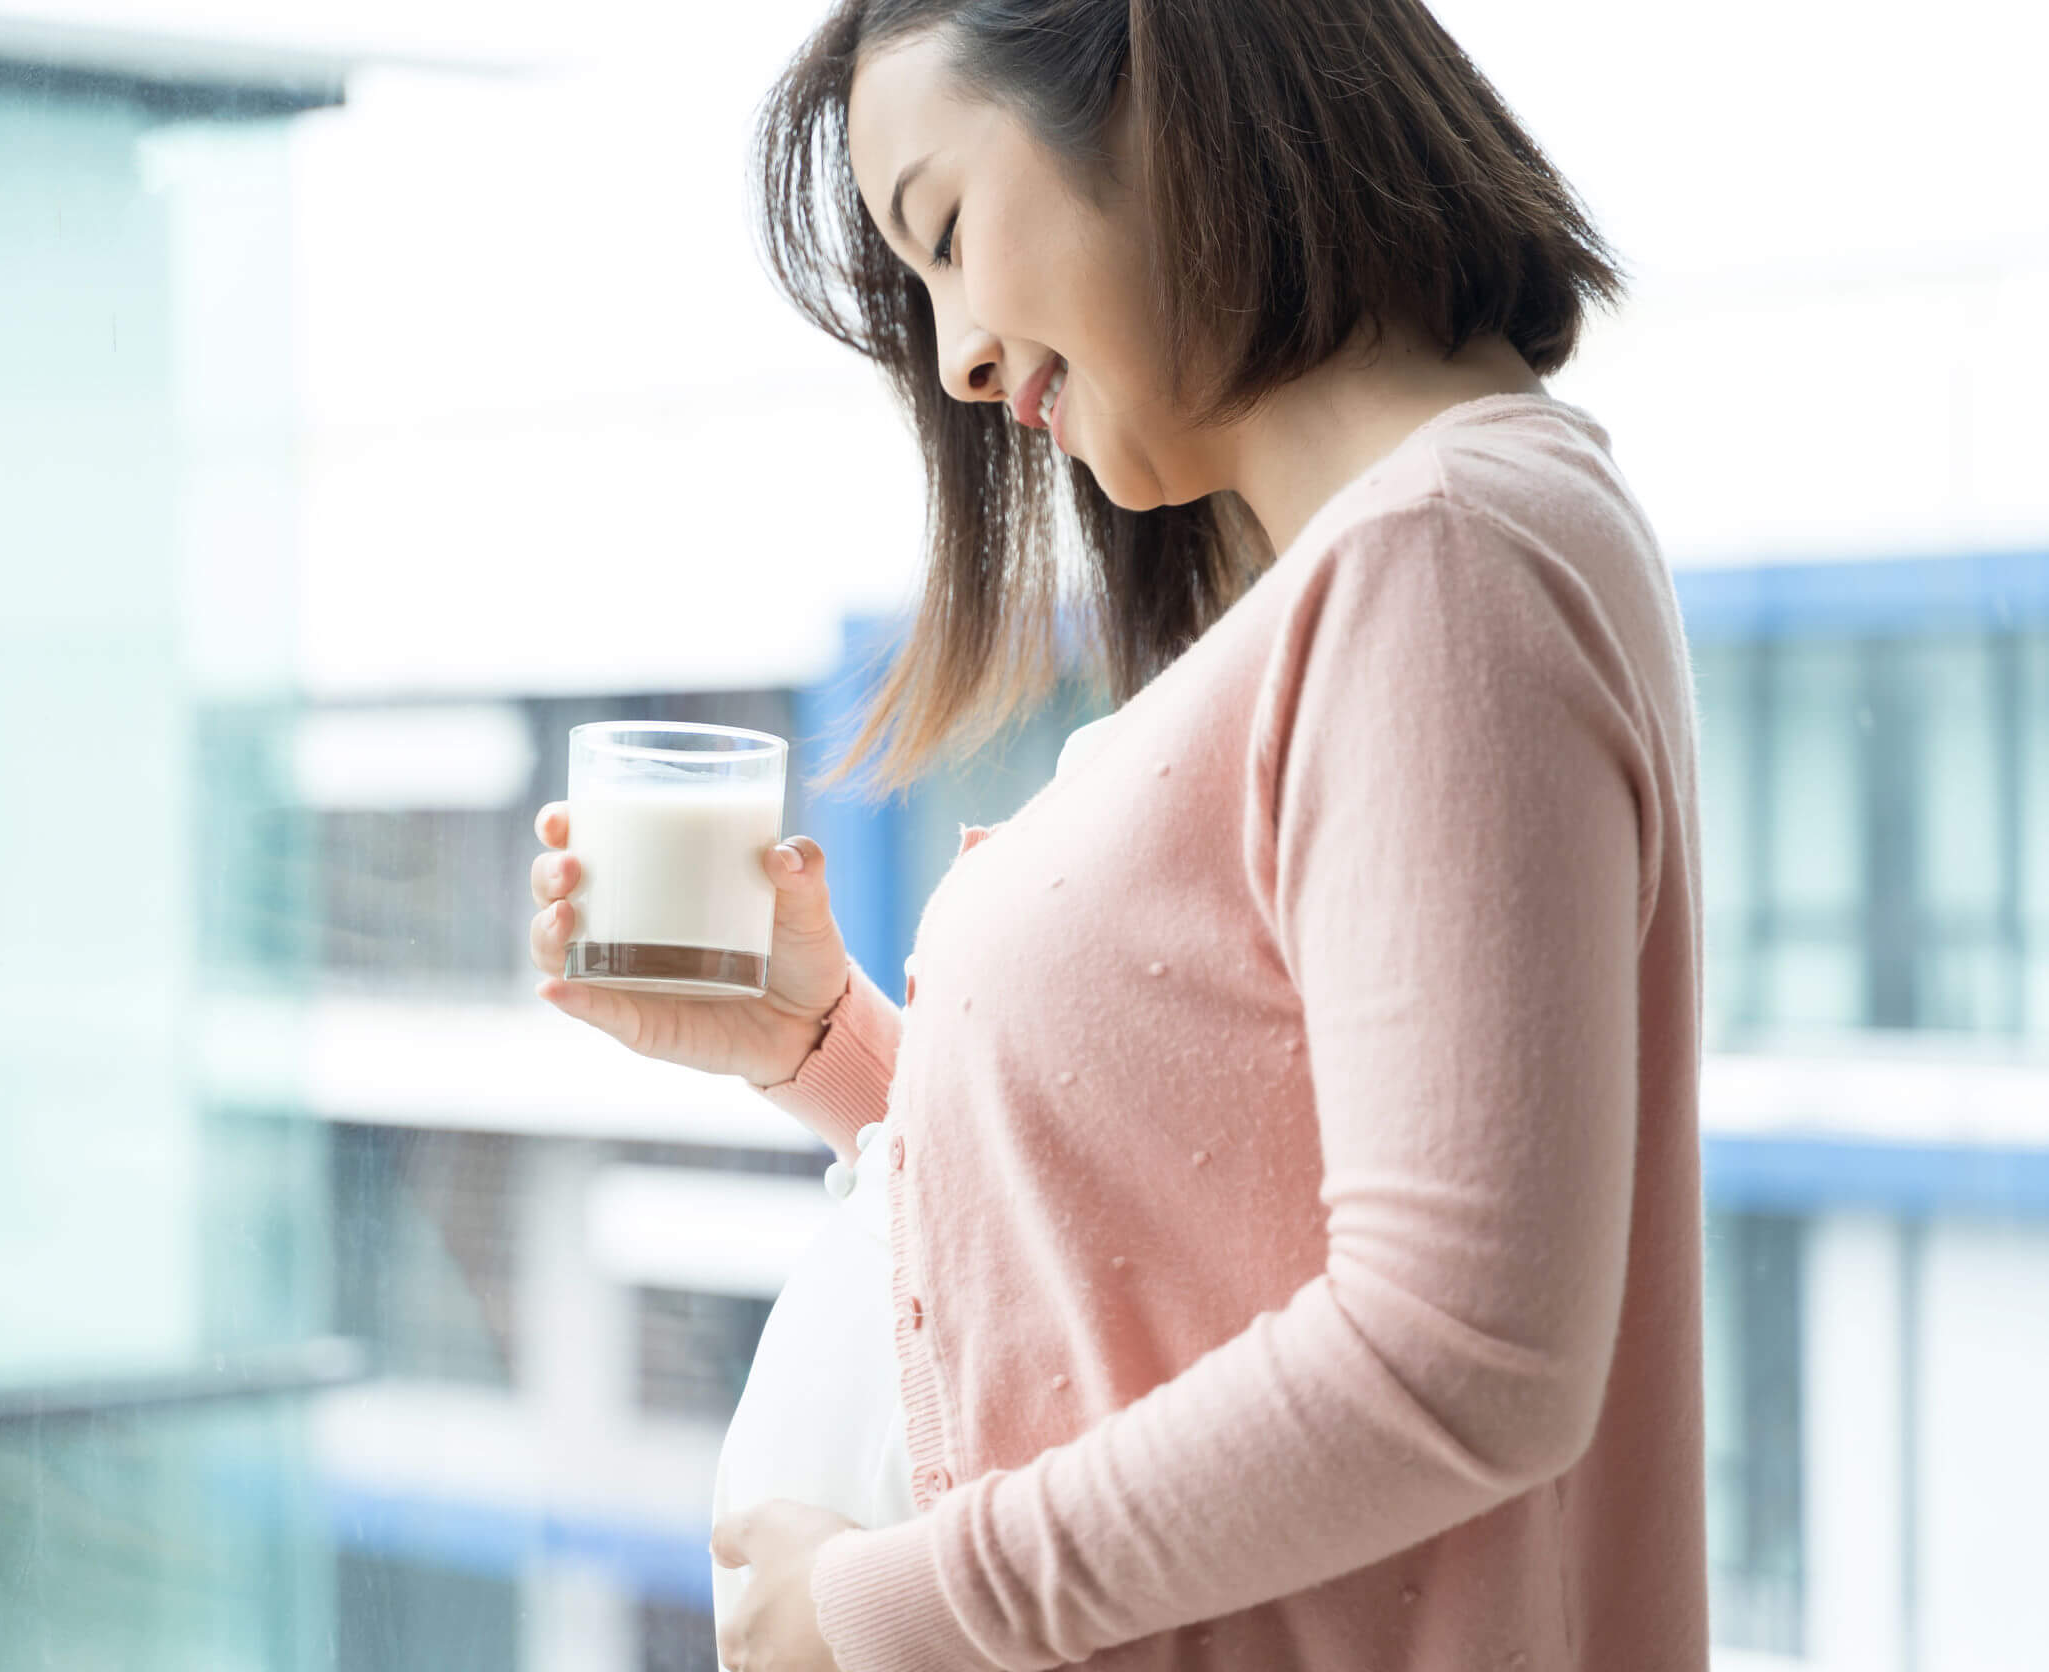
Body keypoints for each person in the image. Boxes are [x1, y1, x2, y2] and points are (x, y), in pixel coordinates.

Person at [529, 1, 1709, 1668]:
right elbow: (1223, 1203)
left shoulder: (1444, 562)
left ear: (1171, 93)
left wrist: (882, 1607)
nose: (955, 358)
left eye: (944, 234)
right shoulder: (1396, 572)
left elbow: (1462, 1354)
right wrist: (834, 1050)